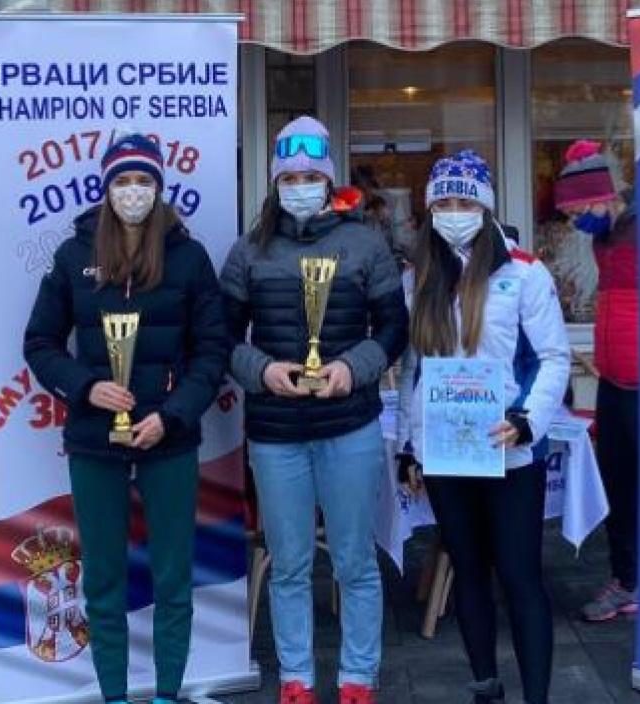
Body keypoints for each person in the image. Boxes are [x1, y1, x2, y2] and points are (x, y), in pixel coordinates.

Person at [23, 129, 229, 704]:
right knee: (103, 578)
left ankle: (166, 694)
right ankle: (113, 695)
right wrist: (86, 388)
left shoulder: (189, 257)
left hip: (169, 439)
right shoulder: (74, 256)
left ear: (158, 187)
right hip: (94, 441)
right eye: (123, 180)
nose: (133, 191)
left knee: (173, 577)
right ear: (107, 187)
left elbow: (212, 351)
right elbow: (40, 343)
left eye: (143, 180)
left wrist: (173, 415)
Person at [220, 115, 408, 704]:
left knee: (355, 560)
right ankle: (296, 677)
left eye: (310, 176)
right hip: (276, 432)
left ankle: (358, 678)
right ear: (276, 182)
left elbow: (394, 328)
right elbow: (220, 337)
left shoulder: (365, 243)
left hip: (348, 426)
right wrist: (262, 371)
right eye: (290, 177)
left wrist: (353, 368)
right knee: (290, 563)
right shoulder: (249, 249)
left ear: (328, 180)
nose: (300, 185)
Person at [396, 149, 571, 704]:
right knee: (468, 574)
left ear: (486, 206)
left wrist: (527, 420)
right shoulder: (418, 276)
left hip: (510, 451)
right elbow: (414, 366)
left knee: (519, 578)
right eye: (443, 203)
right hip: (447, 454)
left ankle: (536, 697)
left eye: (465, 202)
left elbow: (554, 358)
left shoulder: (524, 272)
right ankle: (485, 690)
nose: (454, 212)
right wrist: (408, 445)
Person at [553, 140, 640, 623]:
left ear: (603, 196)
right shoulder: (604, 236)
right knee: (618, 486)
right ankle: (626, 580)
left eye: (579, 210)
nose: (575, 222)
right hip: (614, 378)